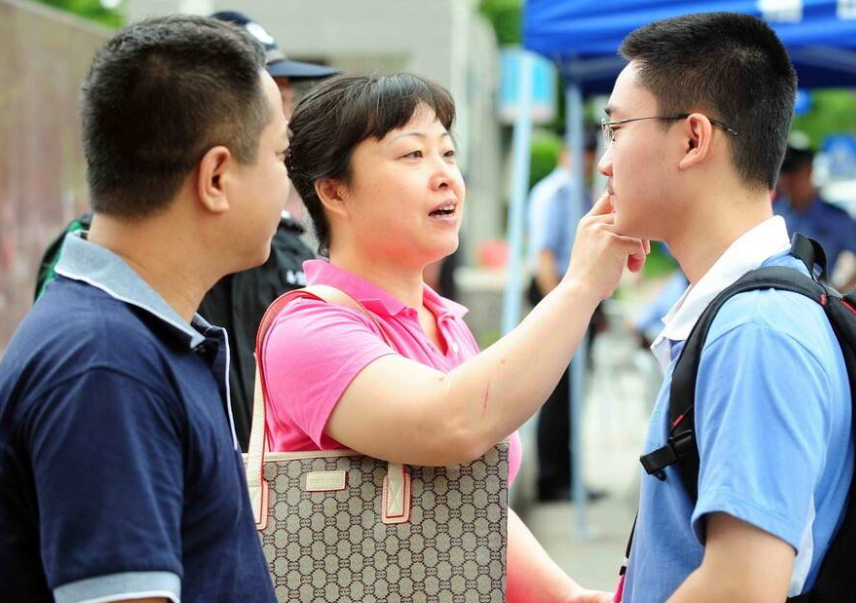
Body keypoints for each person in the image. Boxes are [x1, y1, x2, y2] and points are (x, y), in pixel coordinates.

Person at [265, 72, 647, 603]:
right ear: (334, 191)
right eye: (412, 156)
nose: (445, 175)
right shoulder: (307, 330)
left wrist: (568, 595)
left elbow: (473, 506)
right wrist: (580, 286)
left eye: (447, 153)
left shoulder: (444, 324)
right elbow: (453, 424)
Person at [0, 15, 287, 603]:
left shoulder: (140, 339)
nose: (290, 181)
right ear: (216, 177)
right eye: (281, 154)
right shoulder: (105, 365)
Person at [599, 12, 853, 603]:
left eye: (616, 129)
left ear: (693, 138)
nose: (605, 161)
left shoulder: (757, 330)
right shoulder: (755, 309)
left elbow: (741, 587)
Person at [199, 11, 339, 451]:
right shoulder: (141, 263)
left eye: (286, 94)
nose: (285, 115)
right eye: (268, 93)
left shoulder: (293, 253)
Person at [527, 130, 603, 501]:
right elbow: (544, 257)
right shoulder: (554, 192)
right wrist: (559, 309)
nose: (590, 159)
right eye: (586, 151)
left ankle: (567, 478)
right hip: (555, 292)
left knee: (572, 394)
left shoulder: (575, 190)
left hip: (572, 296)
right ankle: (551, 479)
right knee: (556, 393)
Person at [775, 143, 856, 291]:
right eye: (784, 174)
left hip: (817, 299)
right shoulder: (774, 212)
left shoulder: (837, 219)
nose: (787, 181)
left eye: (794, 174)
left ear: (809, 172)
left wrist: (840, 295)